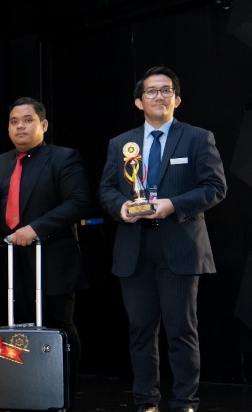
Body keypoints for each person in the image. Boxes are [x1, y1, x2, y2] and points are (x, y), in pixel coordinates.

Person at [98, 67, 227, 412]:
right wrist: (122, 208)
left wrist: (172, 205)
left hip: (180, 244)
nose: (159, 96)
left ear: (177, 99)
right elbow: (107, 189)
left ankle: (185, 401)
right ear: (139, 101)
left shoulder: (198, 137)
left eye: (166, 90)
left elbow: (215, 188)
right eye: (151, 91)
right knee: (141, 332)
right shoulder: (120, 143)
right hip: (134, 247)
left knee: (181, 331)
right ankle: (146, 403)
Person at [0, 97, 90, 400]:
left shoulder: (64, 158)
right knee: (13, 327)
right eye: (14, 121)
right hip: (7, 262)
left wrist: (36, 228)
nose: (20, 126)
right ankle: (22, 393)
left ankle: (64, 395)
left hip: (50, 259)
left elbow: (78, 202)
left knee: (58, 325)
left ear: (43, 125)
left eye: (27, 120)